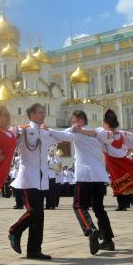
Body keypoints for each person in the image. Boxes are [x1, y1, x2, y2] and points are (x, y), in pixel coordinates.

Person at [48, 109, 115, 254]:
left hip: (85, 175)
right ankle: (108, 241)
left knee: (78, 205)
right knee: (99, 208)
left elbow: (62, 135)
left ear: (80, 121)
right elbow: (111, 137)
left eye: (73, 121)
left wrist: (47, 129)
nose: (72, 125)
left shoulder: (79, 133)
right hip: (99, 176)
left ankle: (91, 230)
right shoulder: (98, 133)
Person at [8, 103, 65, 260]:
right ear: (32, 114)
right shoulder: (24, 130)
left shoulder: (45, 133)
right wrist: (18, 131)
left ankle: (34, 250)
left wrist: (51, 130)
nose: (44, 115)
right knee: (34, 212)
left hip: (41, 179)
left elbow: (62, 137)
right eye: (40, 113)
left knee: (39, 216)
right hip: (28, 177)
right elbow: (9, 138)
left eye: (44, 112)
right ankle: (15, 230)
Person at [74, 109, 133, 197]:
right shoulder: (122, 133)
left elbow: (92, 133)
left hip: (114, 162)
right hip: (123, 159)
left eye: (103, 123)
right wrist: (131, 149)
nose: (102, 125)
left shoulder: (104, 133)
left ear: (107, 124)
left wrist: (80, 130)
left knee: (124, 190)